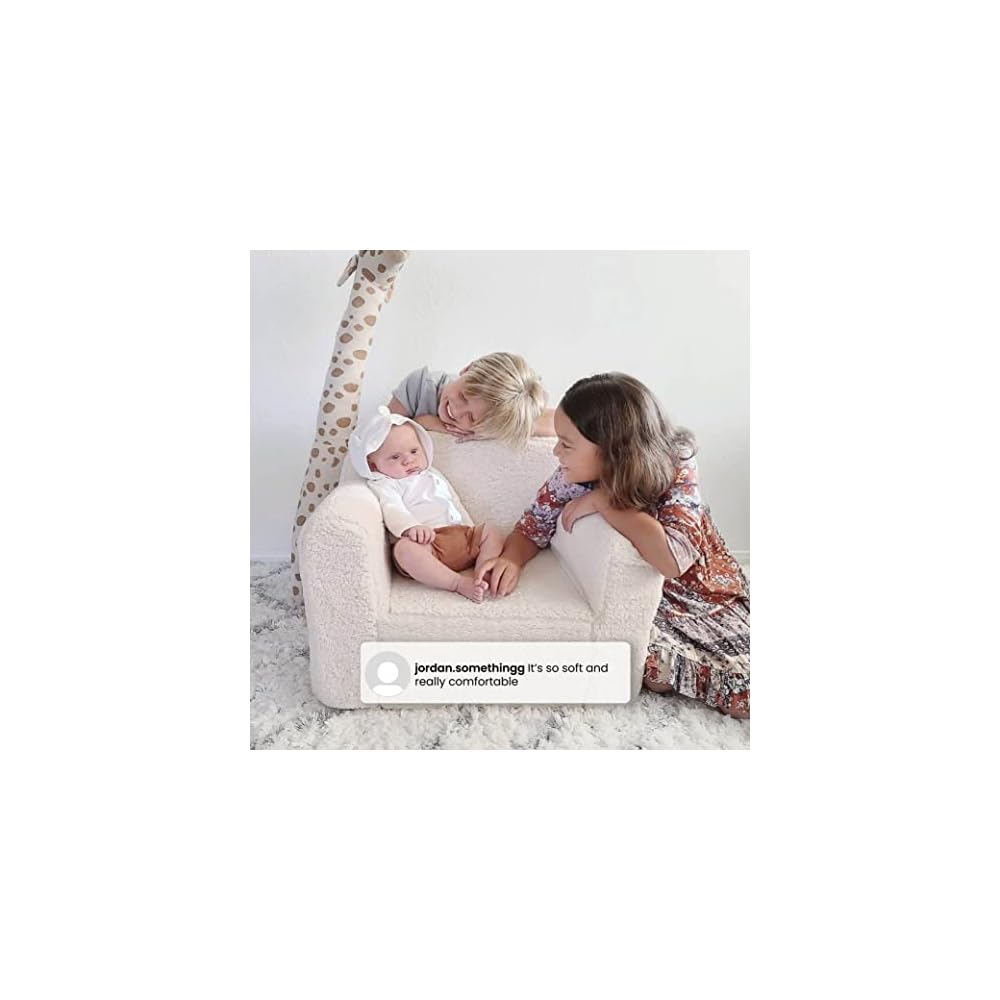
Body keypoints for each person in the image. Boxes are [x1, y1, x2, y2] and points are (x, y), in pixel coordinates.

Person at [476, 373, 750, 718]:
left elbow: (673, 562)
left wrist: (606, 503)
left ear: (612, 450)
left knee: (743, 690)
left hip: (702, 591)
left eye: (567, 444)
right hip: (644, 596)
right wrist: (512, 559)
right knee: (647, 667)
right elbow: (533, 525)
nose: (557, 452)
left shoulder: (676, 464)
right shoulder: (572, 476)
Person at [349, 406, 503, 603]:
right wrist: (410, 527)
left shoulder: (432, 474)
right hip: (427, 544)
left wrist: (468, 527)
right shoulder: (386, 484)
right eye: (395, 457)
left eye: (414, 451)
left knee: (491, 530)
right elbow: (392, 508)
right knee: (404, 550)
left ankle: (483, 571)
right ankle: (457, 583)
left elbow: (453, 501)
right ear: (373, 465)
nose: (409, 460)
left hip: (460, 536)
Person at [388, 352, 556, 444]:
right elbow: (382, 432)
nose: (457, 411)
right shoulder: (420, 385)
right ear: (468, 368)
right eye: (463, 396)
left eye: (471, 418)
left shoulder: (496, 421)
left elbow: (556, 422)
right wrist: (425, 422)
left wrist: (493, 431)